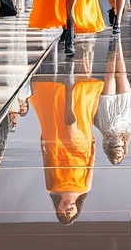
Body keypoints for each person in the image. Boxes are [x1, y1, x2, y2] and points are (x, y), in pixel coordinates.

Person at [30, 73, 105, 225]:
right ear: (77, 209)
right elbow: (90, 166)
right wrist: (93, 147)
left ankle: (64, 89)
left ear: (58, 208)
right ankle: (71, 89)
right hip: (81, 151)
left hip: (57, 149)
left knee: (57, 117)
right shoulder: (84, 189)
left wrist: (43, 143)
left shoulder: (51, 188)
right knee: (72, 125)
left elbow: (47, 163)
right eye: (71, 212)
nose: (67, 210)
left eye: (63, 212)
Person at [94, 37, 131, 164]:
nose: (118, 150)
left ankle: (113, 49)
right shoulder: (129, 135)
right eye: (120, 151)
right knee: (122, 75)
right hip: (124, 104)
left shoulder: (106, 135)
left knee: (109, 75)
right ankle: (118, 45)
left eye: (115, 150)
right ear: (124, 149)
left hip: (108, 107)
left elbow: (98, 120)